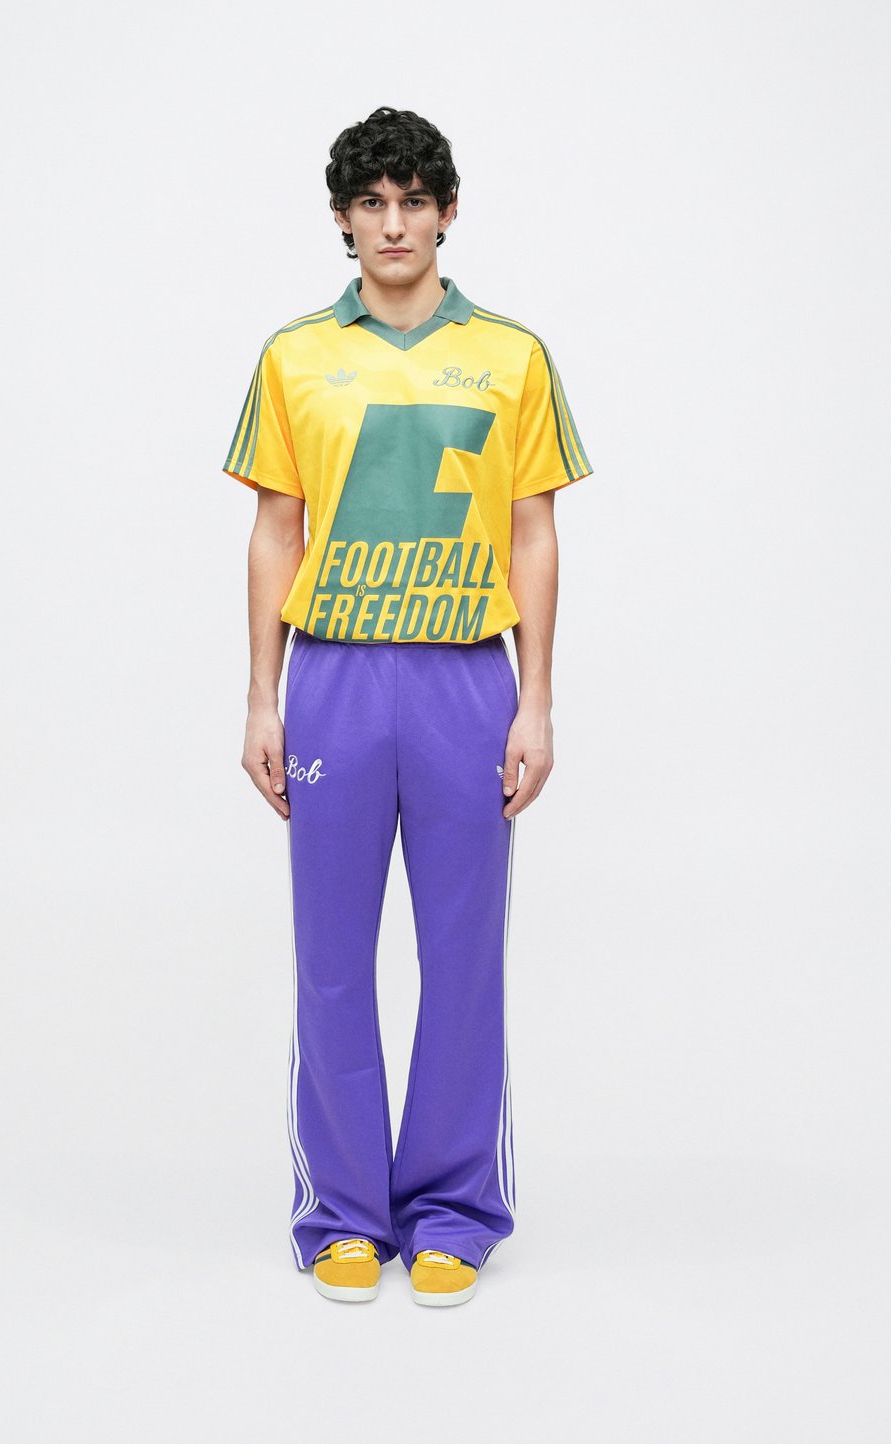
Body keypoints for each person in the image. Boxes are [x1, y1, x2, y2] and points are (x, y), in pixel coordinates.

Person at [223, 106, 592, 1307]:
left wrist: (535, 701)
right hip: (333, 675)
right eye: (372, 204)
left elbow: (533, 532)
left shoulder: (512, 356)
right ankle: (341, 1212)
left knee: (461, 957)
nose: (394, 223)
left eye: (413, 201)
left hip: (463, 679)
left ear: (446, 212)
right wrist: (261, 696)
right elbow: (275, 529)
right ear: (342, 219)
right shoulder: (292, 357)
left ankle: (451, 1210)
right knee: (331, 956)